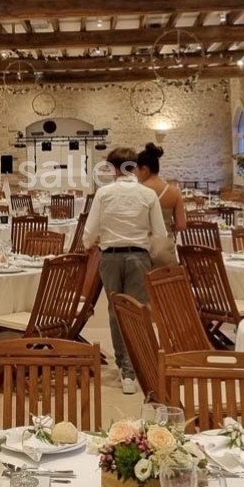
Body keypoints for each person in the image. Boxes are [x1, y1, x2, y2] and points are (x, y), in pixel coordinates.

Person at [82, 147, 167, 395]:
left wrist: (89, 244)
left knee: (114, 312)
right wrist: (144, 246)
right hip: (139, 256)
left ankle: (125, 367)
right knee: (136, 312)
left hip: (110, 257)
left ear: (113, 168)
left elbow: (90, 230)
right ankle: (133, 368)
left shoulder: (104, 194)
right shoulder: (148, 194)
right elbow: (160, 233)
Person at [135, 143, 187, 234]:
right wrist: (167, 230)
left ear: (144, 169)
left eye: (137, 170)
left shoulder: (136, 190)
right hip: (164, 243)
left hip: (141, 243)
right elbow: (181, 225)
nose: (136, 173)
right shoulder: (174, 192)